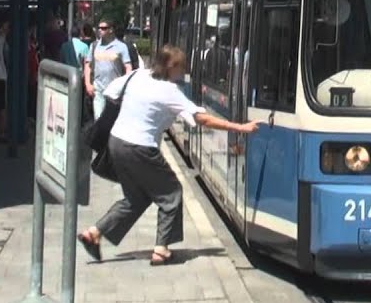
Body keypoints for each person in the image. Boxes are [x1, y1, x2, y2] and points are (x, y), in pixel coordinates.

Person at [76, 45, 261, 265]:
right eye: (181, 68)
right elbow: (202, 119)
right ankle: (161, 249)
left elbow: (110, 92)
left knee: (136, 199)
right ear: (171, 66)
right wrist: (241, 128)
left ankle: (94, 233)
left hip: (116, 142)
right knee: (172, 193)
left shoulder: (137, 75)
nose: (183, 73)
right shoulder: (169, 91)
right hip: (140, 147)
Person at [85, 20, 133, 120]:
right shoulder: (94, 46)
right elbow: (87, 65)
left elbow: (128, 67)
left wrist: (125, 86)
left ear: (111, 30)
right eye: (99, 28)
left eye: (103, 28)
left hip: (114, 91)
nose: (100, 30)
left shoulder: (121, 47)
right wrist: (88, 84)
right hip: (98, 89)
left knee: (112, 121)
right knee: (98, 120)